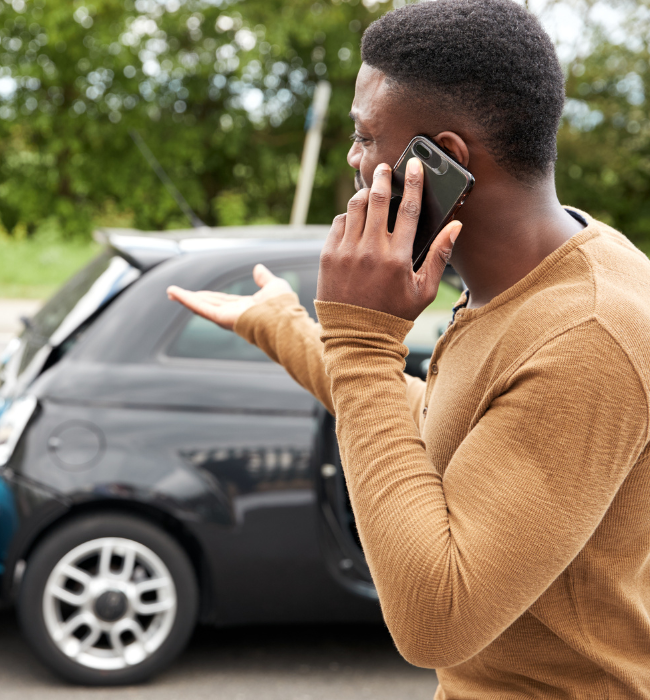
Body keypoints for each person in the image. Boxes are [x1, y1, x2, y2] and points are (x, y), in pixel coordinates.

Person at [167, 0, 650, 697]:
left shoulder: (590, 333)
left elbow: (437, 622)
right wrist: (290, 330)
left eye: (367, 136)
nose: (354, 159)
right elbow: (453, 425)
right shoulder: (536, 276)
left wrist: (364, 341)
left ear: (443, 161)